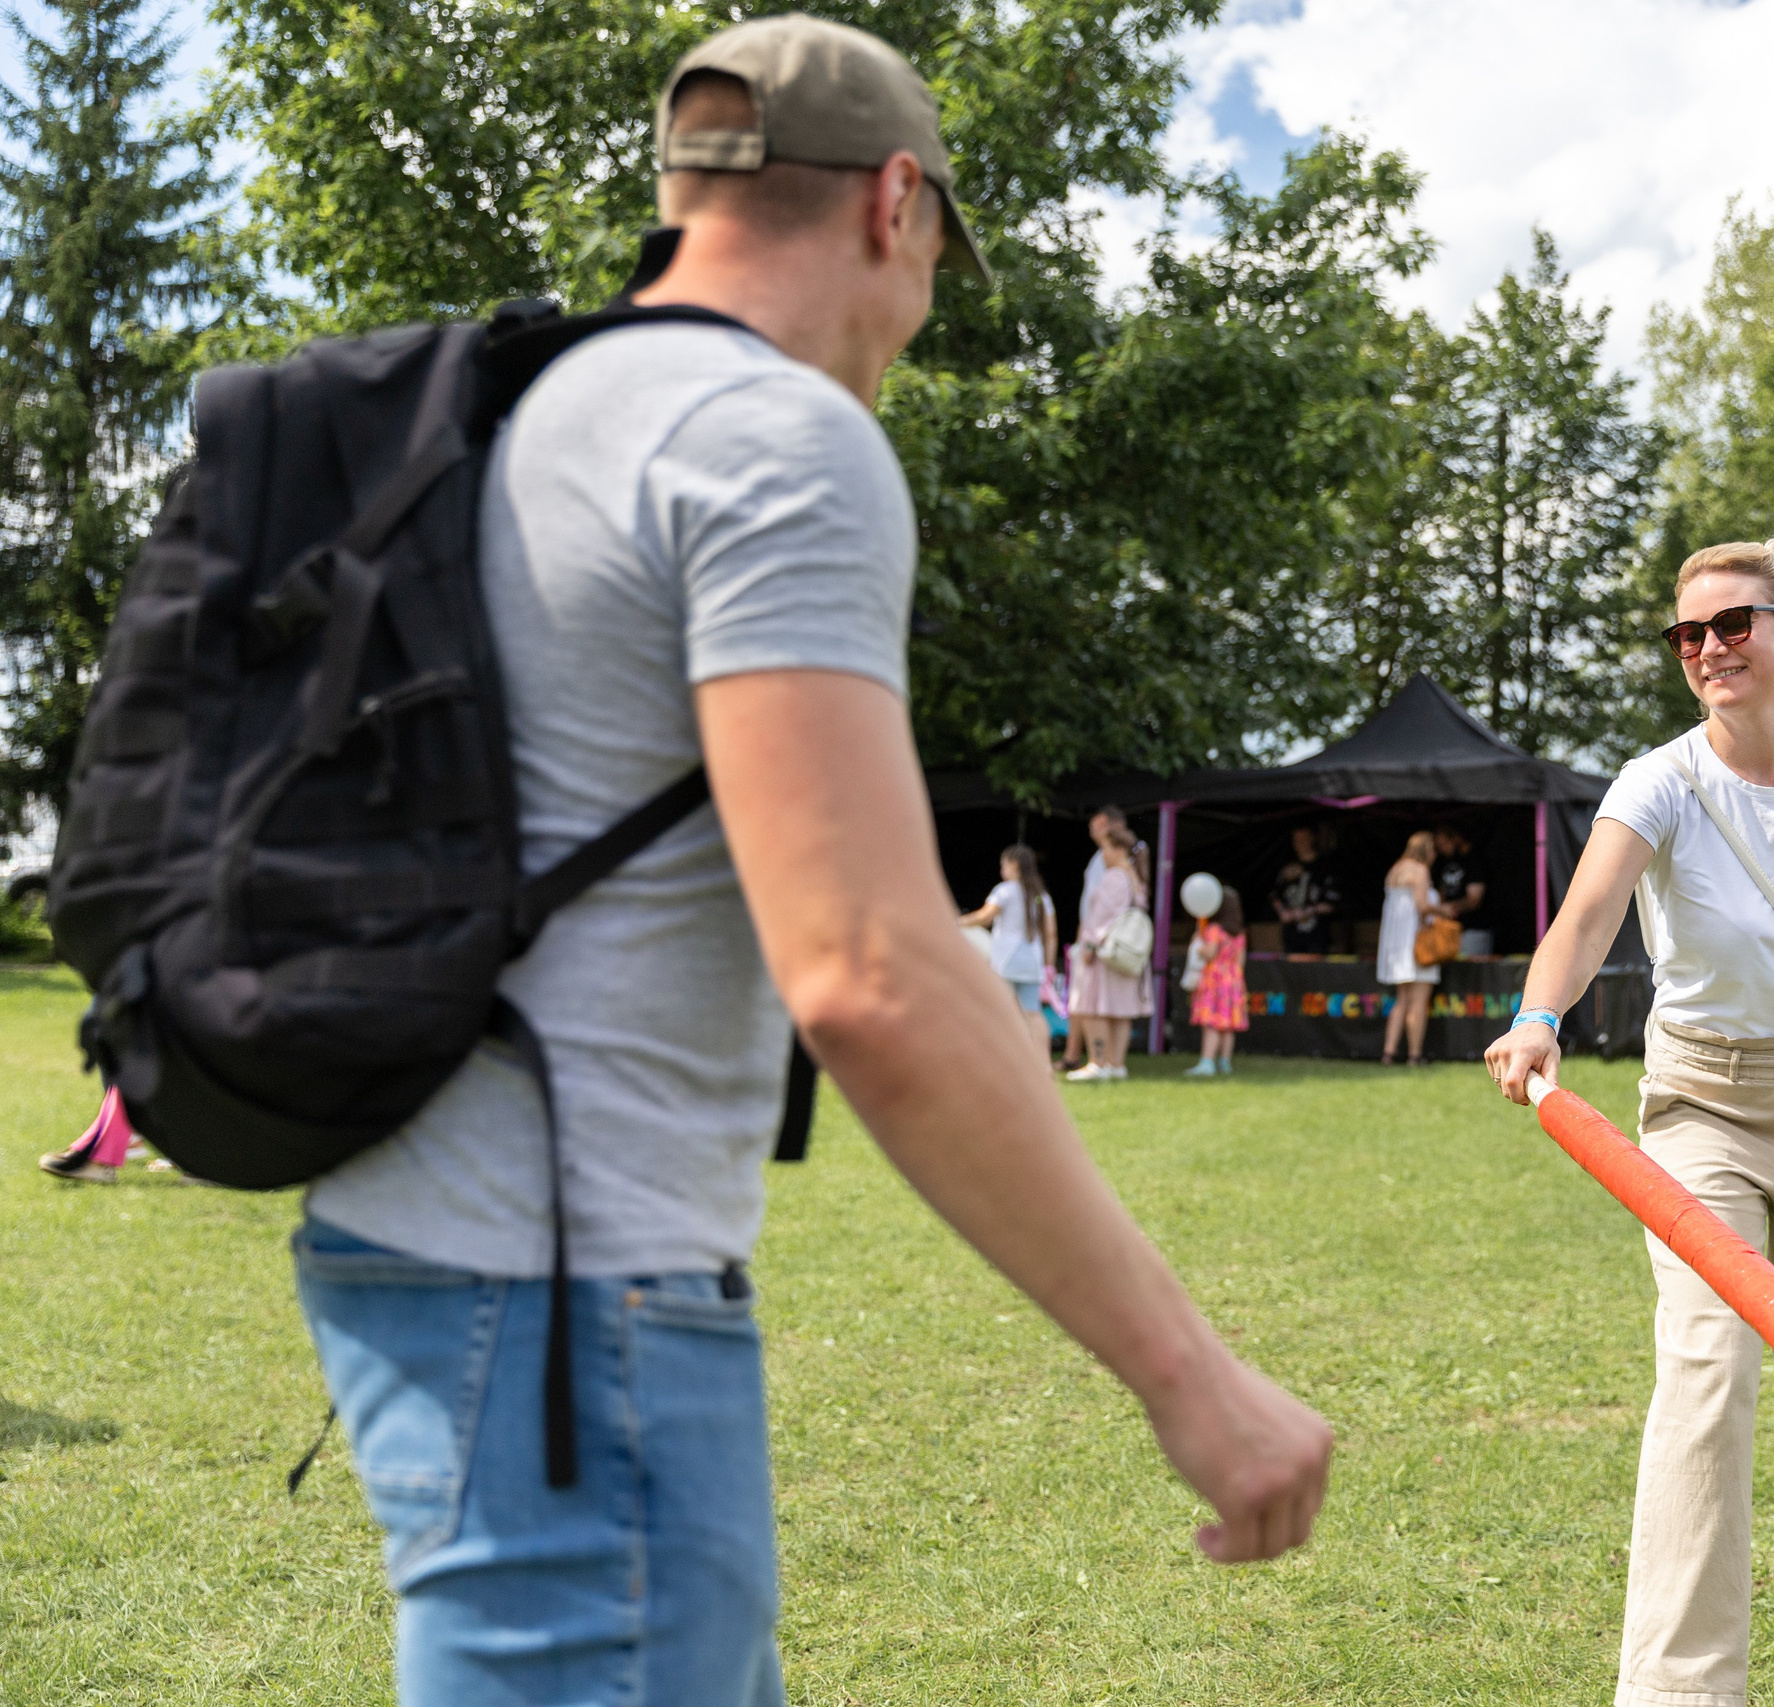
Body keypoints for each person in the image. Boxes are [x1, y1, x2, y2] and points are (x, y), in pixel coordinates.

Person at [289, 23, 1332, 1702]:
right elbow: (866, 971)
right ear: (893, 203)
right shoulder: (767, 434)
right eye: (933, 264)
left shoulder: (525, 410)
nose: (916, 316)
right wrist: (1189, 1374)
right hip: (572, 1296)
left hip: (417, 1240)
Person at [1484, 538, 1774, 1703]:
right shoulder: (1660, 780)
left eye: (1733, 624)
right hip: (1702, 1108)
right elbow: (1587, 913)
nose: (1708, 649)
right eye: (1688, 634)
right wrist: (1539, 1015)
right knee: (1706, 1375)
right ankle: (1678, 1686)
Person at [1066, 826, 1152, 1082]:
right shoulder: (1134, 877)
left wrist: (1089, 945)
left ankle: (1098, 1062)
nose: (1102, 854)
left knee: (1094, 1007)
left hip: (1106, 953)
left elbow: (1102, 916)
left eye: (1105, 848)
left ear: (1119, 850)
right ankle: (1116, 1064)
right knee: (1120, 1010)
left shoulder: (1115, 877)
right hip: (1126, 954)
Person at [958, 845, 1057, 1066]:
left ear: (1013, 865)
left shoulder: (1005, 890)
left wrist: (957, 921)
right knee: (1033, 1013)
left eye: (1003, 864)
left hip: (1007, 961)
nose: (1001, 869)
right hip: (1033, 962)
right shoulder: (1041, 895)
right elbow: (1050, 933)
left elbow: (985, 917)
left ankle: (997, 1061)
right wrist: (1049, 965)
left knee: (999, 1010)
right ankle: (1043, 1063)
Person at [1377, 831, 1448, 1066]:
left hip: (1396, 945)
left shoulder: (1395, 870)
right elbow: (1422, 906)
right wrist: (1444, 911)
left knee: (1402, 999)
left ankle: (1389, 1052)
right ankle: (1415, 1055)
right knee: (1419, 1000)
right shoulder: (1420, 870)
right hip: (1417, 944)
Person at [1185, 885, 1249, 1079]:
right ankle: (1224, 1062)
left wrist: (1198, 945)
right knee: (1227, 1025)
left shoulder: (1214, 930)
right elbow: (1240, 961)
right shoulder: (1239, 933)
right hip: (1234, 980)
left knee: (1211, 1023)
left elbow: (1210, 953)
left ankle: (1207, 1062)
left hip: (1214, 980)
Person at [1270, 826, 1339, 956]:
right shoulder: (1287, 867)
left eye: (1303, 838)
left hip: (1316, 934)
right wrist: (1282, 911)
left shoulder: (1325, 866)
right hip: (1291, 935)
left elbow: (1332, 902)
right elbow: (1274, 894)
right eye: (1296, 839)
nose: (1299, 843)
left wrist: (1306, 912)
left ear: (1312, 838)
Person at [1430, 825, 1487, 937]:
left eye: (1444, 844)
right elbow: (1443, 889)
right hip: (1449, 927)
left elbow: (1474, 899)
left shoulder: (1474, 859)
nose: (1442, 849)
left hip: (1473, 928)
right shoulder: (1446, 861)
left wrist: (1448, 907)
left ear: (1456, 838)